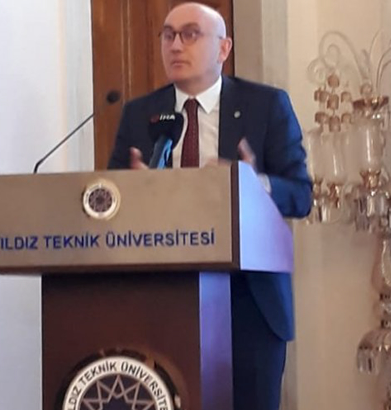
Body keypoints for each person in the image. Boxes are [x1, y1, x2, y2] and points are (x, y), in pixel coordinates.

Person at [108, 3, 311, 410]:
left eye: (190, 34)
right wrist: (135, 190)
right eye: (168, 35)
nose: (175, 45)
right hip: (161, 299)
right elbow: (112, 199)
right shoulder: (139, 114)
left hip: (249, 304)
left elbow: (300, 195)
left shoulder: (266, 106)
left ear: (223, 48)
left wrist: (254, 184)